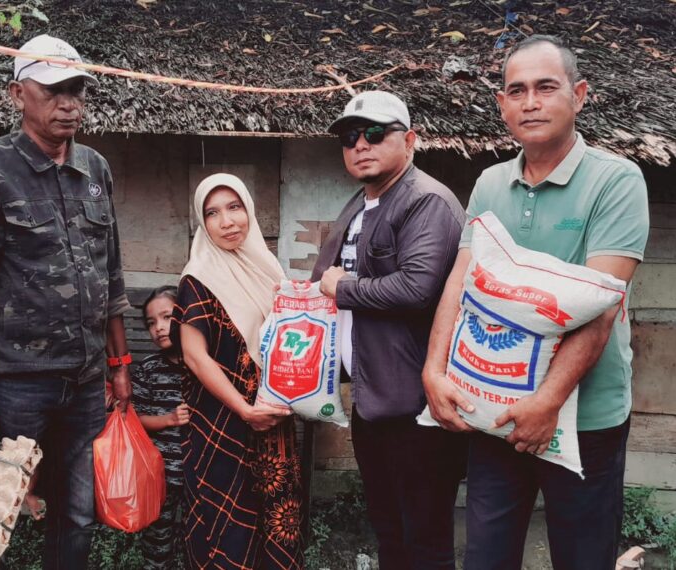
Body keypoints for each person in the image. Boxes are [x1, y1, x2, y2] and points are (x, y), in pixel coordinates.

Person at [422, 35, 650, 570]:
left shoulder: (615, 181)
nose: (530, 102)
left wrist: (547, 403)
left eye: (546, 87)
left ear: (579, 94)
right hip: (495, 410)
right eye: (517, 90)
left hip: (586, 417)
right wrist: (433, 370)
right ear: (501, 103)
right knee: (486, 556)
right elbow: (460, 281)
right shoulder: (490, 184)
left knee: (582, 557)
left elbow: (602, 307)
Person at [0, 34, 132, 569]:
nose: (68, 104)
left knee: (77, 514)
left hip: (85, 382)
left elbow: (110, 274)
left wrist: (119, 364)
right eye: (53, 91)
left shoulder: (95, 169)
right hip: (18, 384)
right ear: (17, 94)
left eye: (76, 91)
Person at [311, 91, 468, 570]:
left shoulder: (427, 201)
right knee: (389, 532)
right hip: (373, 401)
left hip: (418, 408)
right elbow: (324, 281)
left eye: (376, 133)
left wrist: (343, 287)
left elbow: (417, 288)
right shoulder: (360, 204)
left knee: (425, 541)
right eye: (350, 137)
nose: (361, 144)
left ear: (410, 140)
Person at [171, 173, 302, 570]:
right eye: (212, 213)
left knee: (275, 520)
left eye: (234, 207)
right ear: (202, 222)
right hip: (222, 424)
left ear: (250, 210)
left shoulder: (268, 270)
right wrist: (244, 411)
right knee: (226, 525)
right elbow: (195, 357)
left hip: (271, 421)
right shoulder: (198, 279)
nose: (226, 222)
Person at [132, 286, 191, 570]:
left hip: (198, 475)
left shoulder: (203, 365)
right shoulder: (148, 369)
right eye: (151, 322)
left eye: (167, 317)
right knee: (157, 541)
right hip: (159, 476)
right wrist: (169, 419)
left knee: (199, 539)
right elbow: (135, 419)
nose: (159, 327)